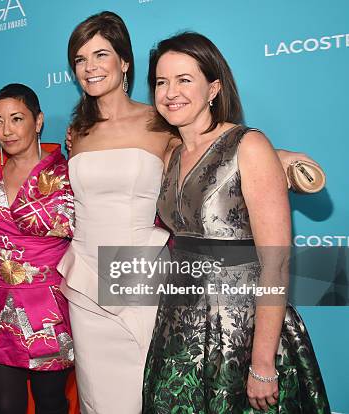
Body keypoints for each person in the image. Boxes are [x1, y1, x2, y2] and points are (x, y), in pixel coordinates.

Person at [142, 32, 330, 413]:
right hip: (178, 324)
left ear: (212, 88)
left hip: (240, 330)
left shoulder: (249, 146)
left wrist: (262, 365)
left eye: (184, 80)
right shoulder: (172, 153)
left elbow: (276, 263)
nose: (170, 92)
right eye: (161, 82)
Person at [56, 11, 173, 414]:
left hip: (137, 270)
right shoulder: (78, 131)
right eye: (80, 59)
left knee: (144, 390)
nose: (89, 68)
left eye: (100, 55)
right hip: (86, 273)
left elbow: (206, 153)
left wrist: (271, 156)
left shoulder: (159, 121)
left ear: (124, 61)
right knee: (98, 396)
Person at [0, 83, 74, 414]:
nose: (6, 130)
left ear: (38, 120)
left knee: (50, 403)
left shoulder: (65, 173)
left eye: (16, 119)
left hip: (48, 310)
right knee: (5, 407)